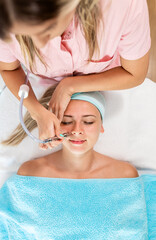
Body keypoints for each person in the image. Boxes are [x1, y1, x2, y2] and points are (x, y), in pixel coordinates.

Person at [1, 90, 156, 240]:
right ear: (54, 125)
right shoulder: (31, 173)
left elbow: (141, 230)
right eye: (66, 121)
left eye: (88, 122)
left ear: (101, 126)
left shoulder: (124, 174)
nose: (77, 130)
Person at [0, 0, 151, 150]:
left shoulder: (123, 5)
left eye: (47, 31)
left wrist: (69, 86)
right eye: (25, 34)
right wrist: (36, 112)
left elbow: (134, 73)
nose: (39, 45)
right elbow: (8, 69)